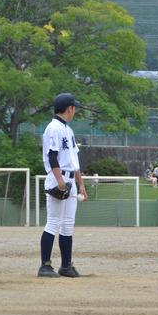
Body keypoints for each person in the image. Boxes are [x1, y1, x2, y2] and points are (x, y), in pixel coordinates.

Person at [38, 93, 87, 278]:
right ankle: (45, 266)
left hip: (70, 180)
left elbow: (74, 160)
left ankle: (66, 266)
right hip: (57, 178)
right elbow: (52, 157)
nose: (75, 110)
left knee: (68, 224)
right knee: (53, 222)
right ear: (70, 109)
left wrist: (80, 184)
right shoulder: (53, 128)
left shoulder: (68, 130)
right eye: (74, 107)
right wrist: (60, 183)